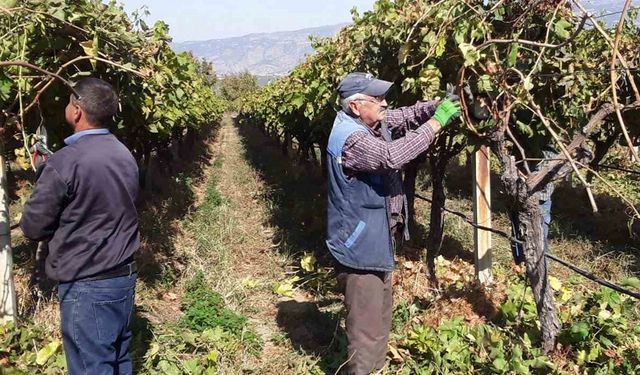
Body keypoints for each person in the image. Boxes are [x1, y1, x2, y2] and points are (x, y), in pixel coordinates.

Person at [326, 72, 461, 374]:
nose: (386, 103)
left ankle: (375, 369)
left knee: (379, 316)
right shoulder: (352, 138)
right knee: (365, 328)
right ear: (356, 106)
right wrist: (437, 122)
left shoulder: (370, 122)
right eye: (378, 99)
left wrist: (441, 104)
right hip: (360, 245)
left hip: (374, 238)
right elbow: (392, 155)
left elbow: (405, 115)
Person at [20, 77, 140, 375]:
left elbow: (33, 227)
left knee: (91, 367)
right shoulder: (123, 154)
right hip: (123, 277)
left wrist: (44, 180)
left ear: (76, 111)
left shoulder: (65, 162)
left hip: (87, 285)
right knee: (118, 360)